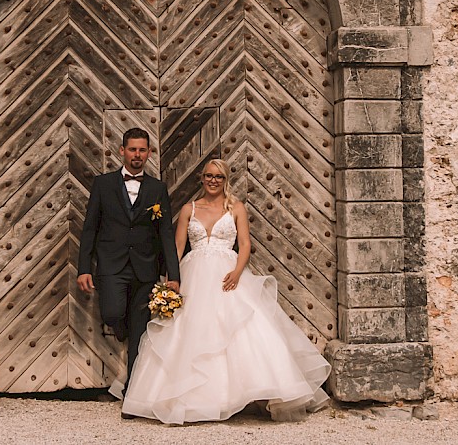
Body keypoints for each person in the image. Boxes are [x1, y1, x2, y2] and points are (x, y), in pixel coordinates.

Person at [119, 158, 331, 425]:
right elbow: (176, 246)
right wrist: (171, 280)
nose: (213, 181)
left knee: (241, 329)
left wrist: (237, 271)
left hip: (227, 273)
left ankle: (250, 393)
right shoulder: (189, 209)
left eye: (218, 177)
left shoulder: (237, 208)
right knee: (189, 331)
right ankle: (191, 399)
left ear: (225, 179)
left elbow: (244, 244)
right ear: (202, 178)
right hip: (193, 271)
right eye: (208, 176)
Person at [76, 127, 181, 404]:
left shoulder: (157, 189)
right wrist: (83, 267)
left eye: (142, 150)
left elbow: (166, 233)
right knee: (112, 313)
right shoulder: (103, 184)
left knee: (140, 332)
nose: (137, 155)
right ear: (122, 151)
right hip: (112, 265)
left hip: (145, 269)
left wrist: (174, 275)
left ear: (149, 152)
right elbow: (90, 229)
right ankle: (120, 328)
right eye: (132, 149)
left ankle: (132, 391)